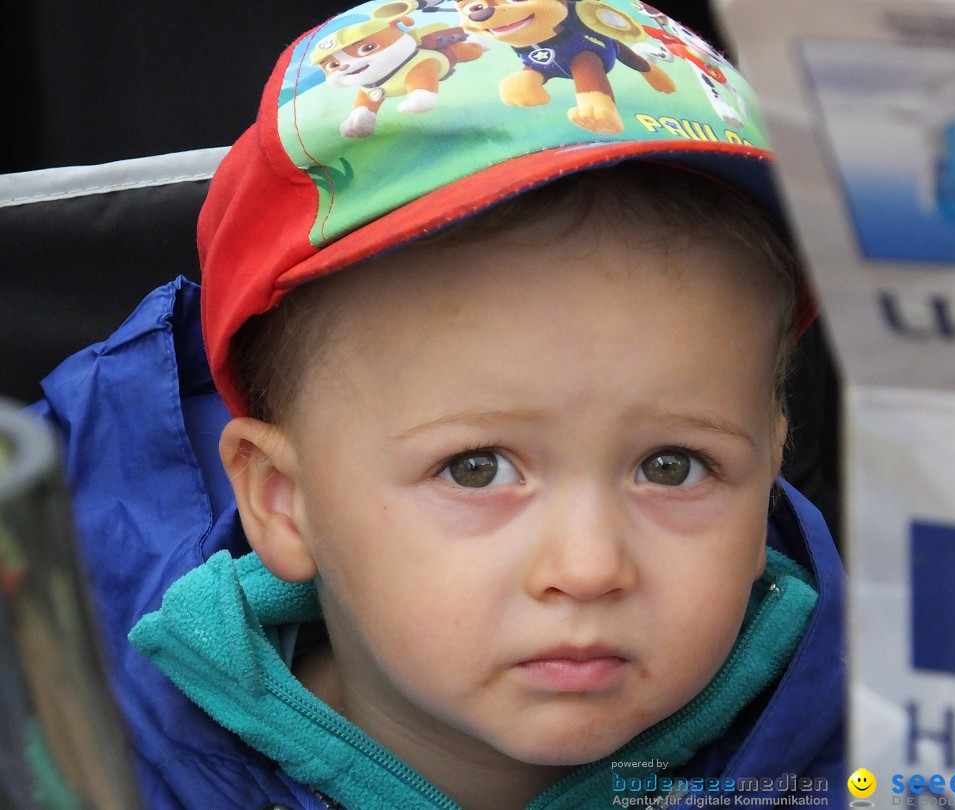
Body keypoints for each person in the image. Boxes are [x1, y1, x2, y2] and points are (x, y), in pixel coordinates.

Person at [30, 1, 844, 807]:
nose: (590, 569)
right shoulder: (89, 759)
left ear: (770, 465)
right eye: (477, 467)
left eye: (672, 466)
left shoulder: (887, 745)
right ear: (285, 501)